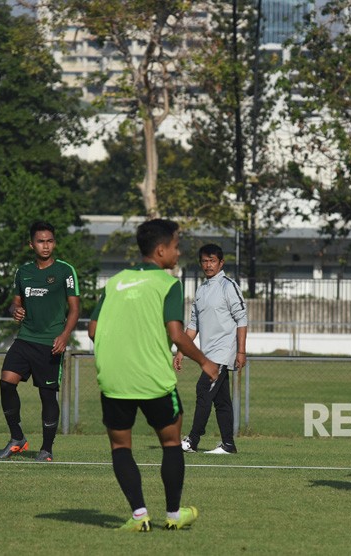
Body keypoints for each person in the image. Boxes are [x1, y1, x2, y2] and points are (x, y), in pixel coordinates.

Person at [88, 218, 219, 532]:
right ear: (161, 250)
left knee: (121, 448)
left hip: (115, 379)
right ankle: (173, 517)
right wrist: (204, 361)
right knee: (172, 443)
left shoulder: (115, 281)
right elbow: (176, 333)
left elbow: (93, 330)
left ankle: (139, 516)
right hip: (153, 380)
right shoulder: (167, 283)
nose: (178, 252)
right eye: (175, 246)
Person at [0, 221, 80, 462]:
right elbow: (16, 302)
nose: (46, 245)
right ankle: (17, 438)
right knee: (6, 382)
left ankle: (46, 449)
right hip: (25, 338)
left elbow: (75, 309)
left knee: (47, 395)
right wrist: (15, 310)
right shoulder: (23, 272)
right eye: (41, 241)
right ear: (31, 244)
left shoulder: (65, 271)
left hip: (50, 342)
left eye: (50, 241)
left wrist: (64, 335)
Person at [174, 244, 247, 455]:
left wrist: (241, 352)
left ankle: (193, 440)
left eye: (212, 261)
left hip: (223, 353)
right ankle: (228, 444)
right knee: (221, 400)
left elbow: (242, 318)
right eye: (205, 261)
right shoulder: (201, 290)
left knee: (202, 390)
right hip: (208, 353)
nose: (208, 265)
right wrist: (181, 350)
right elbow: (194, 324)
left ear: (221, 263)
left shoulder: (228, 286)